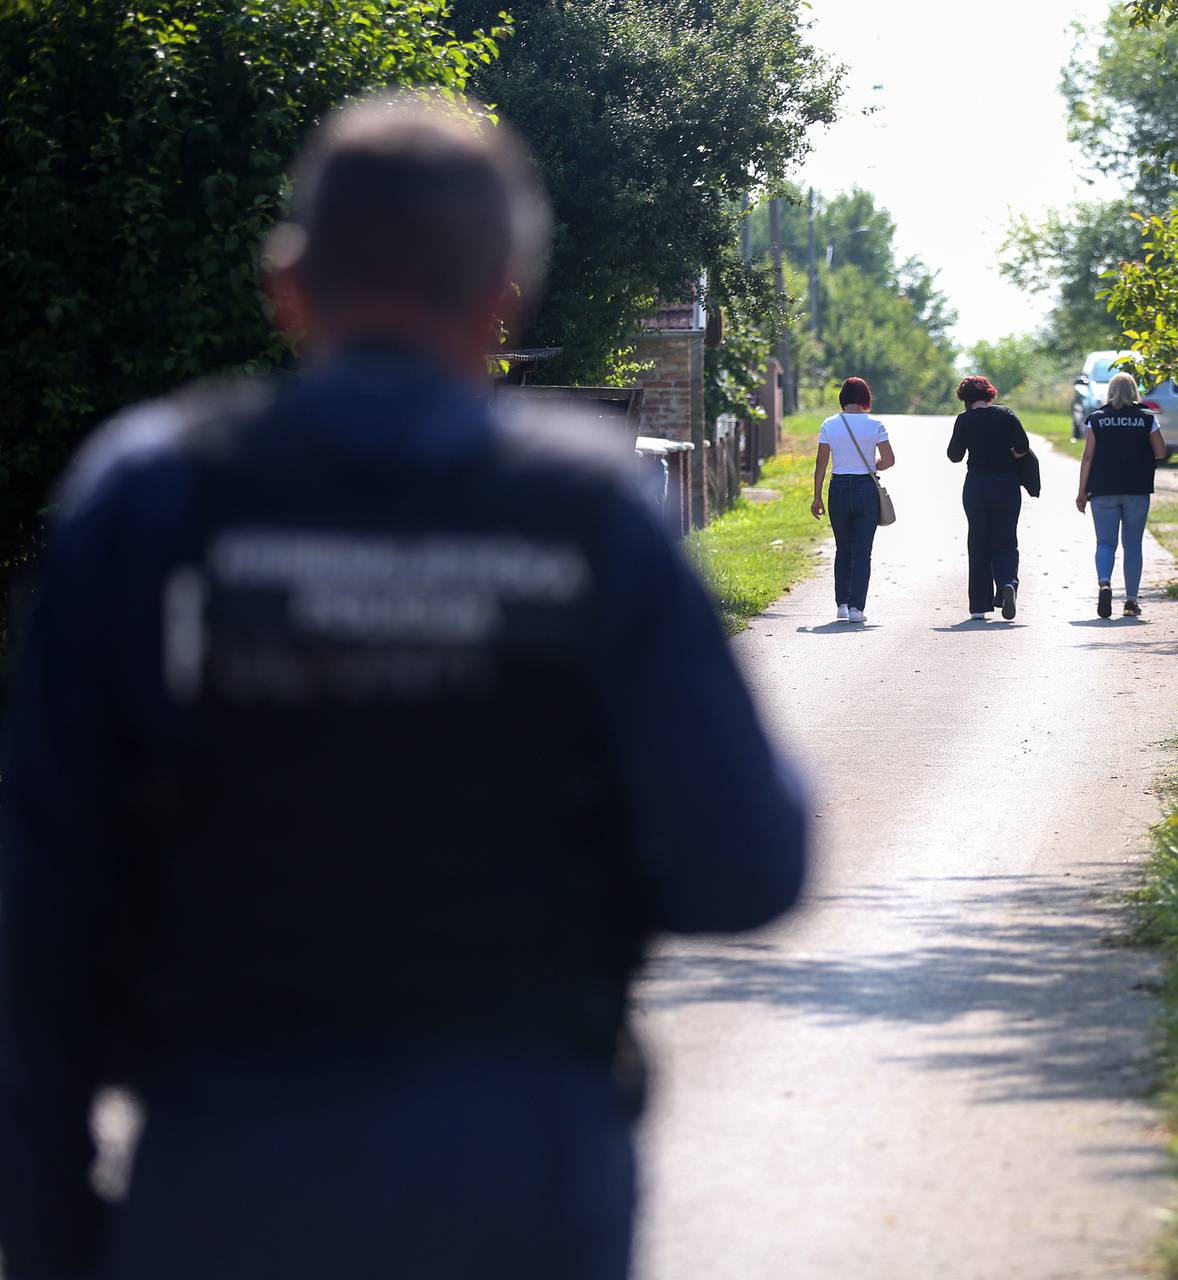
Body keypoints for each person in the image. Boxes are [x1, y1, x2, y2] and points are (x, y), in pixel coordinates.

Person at [0, 95, 808, 1280]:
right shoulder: (585, 514)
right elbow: (748, 862)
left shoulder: (152, 495)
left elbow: (36, 913)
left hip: (226, 1170)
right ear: (505, 300)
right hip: (521, 1177)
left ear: (287, 282)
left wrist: (55, 1232)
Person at [1074, 370, 1167, 618]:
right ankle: (1131, 601)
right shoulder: (1147, 417)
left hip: (1103, 488)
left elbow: (1088, 456)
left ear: (1110, 392)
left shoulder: (1097, 418)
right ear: (1134, 391)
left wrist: (1082, 491)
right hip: (1137, 488)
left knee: (1105, 542)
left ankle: (1104, 582)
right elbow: (1160, 452)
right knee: (1133, 544)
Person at [810, 375, 894, 624]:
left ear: (843, 398)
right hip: (865, 489)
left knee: (843, 549)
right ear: (865, 399)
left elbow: (821, 464)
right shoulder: (875, 424)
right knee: (862, 552)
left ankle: (842, 605)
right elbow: (888, 460)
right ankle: (857, 608)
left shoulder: (829, 424)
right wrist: (870, 465)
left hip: (838, 489)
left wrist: (816, 497)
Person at [946, 375, 1030, 620]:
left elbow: (954, 455)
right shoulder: (1006, 415)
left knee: (978, 542)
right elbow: (1022, 445)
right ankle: (1007, 584)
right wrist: (1011, 454)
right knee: (1005, 538)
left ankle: (979, 607)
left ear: (965, 398)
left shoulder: (964, 420)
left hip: (977, 486)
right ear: (989, 394)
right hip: (1006, 485)